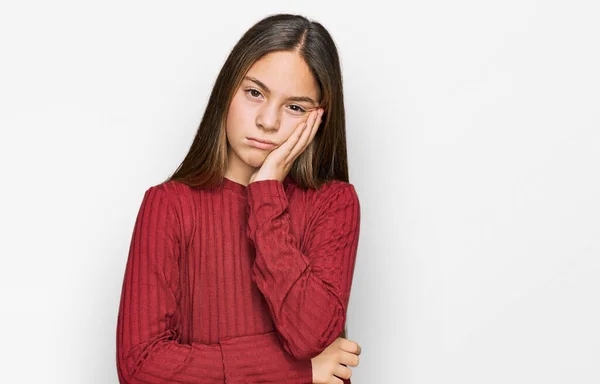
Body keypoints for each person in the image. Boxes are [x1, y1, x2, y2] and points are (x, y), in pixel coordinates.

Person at [116, 13, 362, 384]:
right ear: (227, 91)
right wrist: (297, 370)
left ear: (319, 120)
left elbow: (311, 336)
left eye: (295, 107)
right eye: (254, 93)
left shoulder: (334, 203)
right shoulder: (169, 204)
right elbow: (141, 366)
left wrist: (265, 196)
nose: (268, 121)